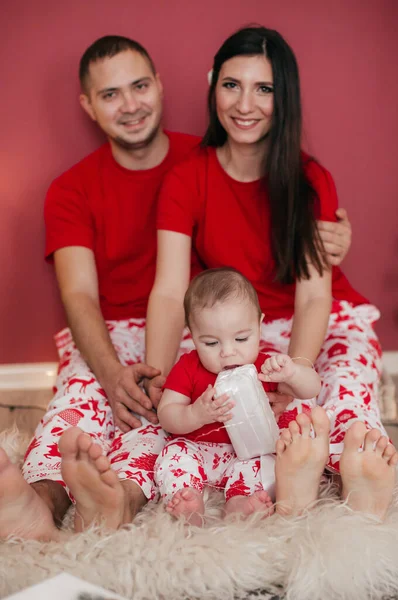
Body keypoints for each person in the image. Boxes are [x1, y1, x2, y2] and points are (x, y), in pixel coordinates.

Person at [0, 33, 351, 542]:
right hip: (123, 331)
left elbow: (261, 225)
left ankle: (121, 496)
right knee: (82, 410)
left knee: (173, 412)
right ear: (88, 106)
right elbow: (78, 295)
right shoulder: (70, 189)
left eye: (139, 86)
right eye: (111, 94)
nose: (131, 105)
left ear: (160, 86)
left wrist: (334, 230)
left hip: (199, 327)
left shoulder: (213, 156)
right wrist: (113, 371)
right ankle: (41, 502)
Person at [146, 26, 398, 520]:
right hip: (238, 327)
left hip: (313, 319)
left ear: (285, 99)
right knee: (190, 397)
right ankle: (287, 475)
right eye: (232, 84)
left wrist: (296, 369)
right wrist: (158, 378)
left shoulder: (309, 180)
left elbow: (313, 299)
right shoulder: (185, 178)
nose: (245, 103)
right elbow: (170, 289)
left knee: (333, 388)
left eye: (265, 89)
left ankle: (348, 467)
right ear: (213, 86)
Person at [155, 267, 323, 525]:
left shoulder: (265, 365)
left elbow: (311, 388)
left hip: (247, 453)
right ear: (192, 336)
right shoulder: (188, 367)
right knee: (173, 455)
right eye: (211, 343)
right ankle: (188, 499)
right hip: (199, 449)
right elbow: (166, 414)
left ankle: (239, 503)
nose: (228, 352)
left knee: (268, 463)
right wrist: (194, 414)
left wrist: (292, 373)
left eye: (242, 338)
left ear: (259, 325)